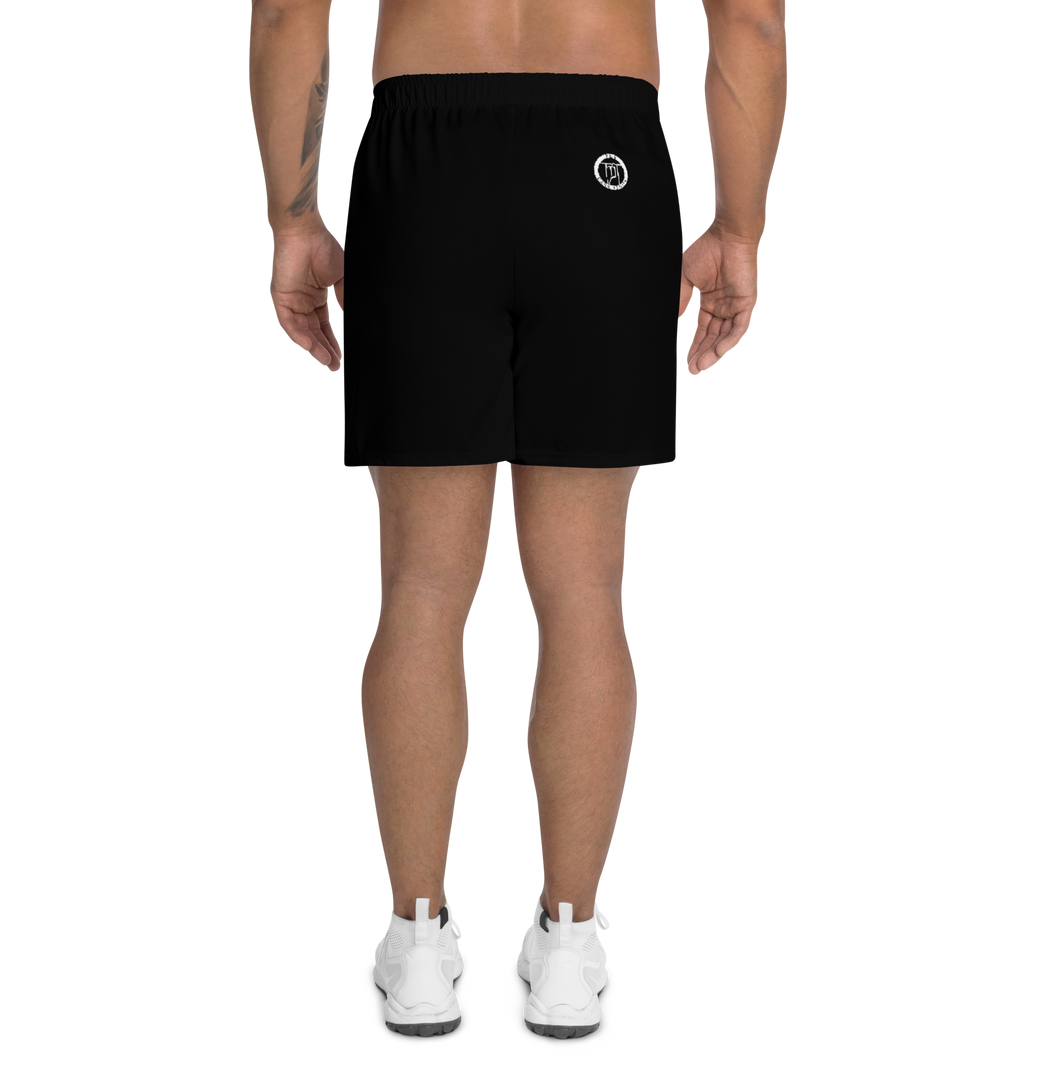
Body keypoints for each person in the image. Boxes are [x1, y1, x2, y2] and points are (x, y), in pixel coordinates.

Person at [246, 0, 789, 1038]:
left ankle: (416, 943)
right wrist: (741, 230)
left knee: (419, 584)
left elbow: (285, 13)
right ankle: (571, 946)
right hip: (604, 152)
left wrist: (291, 218)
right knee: (584, 588)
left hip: (424, 159)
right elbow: (754, 22)